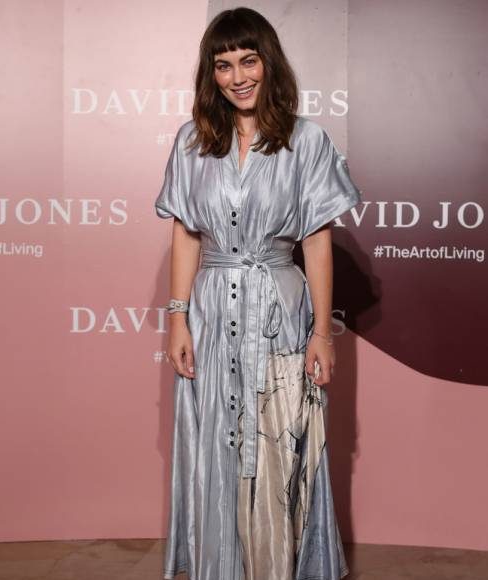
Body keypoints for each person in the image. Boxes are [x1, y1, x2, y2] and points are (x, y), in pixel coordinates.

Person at [155, 7, 361, 580]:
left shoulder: (307, 141)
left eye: (248, 61)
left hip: (278, 309)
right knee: (215, 442)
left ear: (269, 63)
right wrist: (178, 318)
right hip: (211, 309)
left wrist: (321, 333)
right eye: (223, 65)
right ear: (211, 74)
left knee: (279, 445)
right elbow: (186, 232)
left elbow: (316, 241)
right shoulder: (192, 141)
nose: (238, 76)